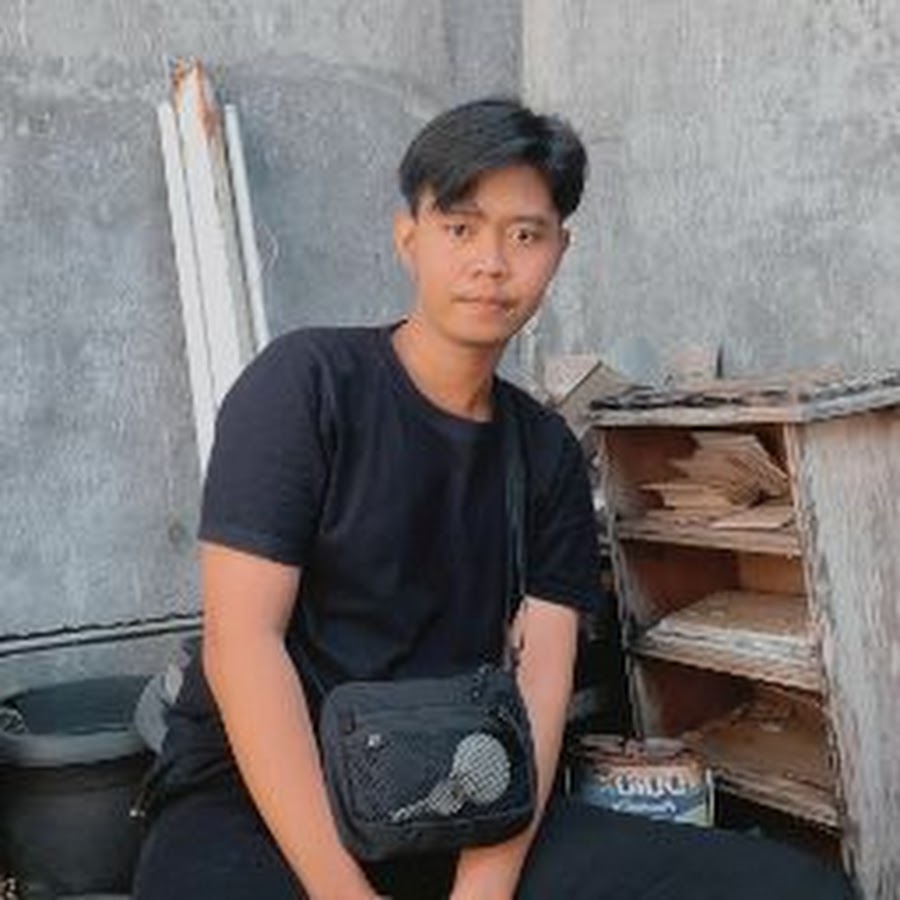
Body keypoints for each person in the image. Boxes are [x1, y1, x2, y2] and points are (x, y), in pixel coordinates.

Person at [133, 98, 853, 899]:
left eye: (525, 234)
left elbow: (540, 686)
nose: (491, 262)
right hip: (260, 802)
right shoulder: (306, 386)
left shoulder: (545, 453)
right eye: (460, 227)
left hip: (459, 795)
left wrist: (484, 889)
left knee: (797, 892)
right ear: (408, 237)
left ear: (559, 251)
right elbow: (244, 645)